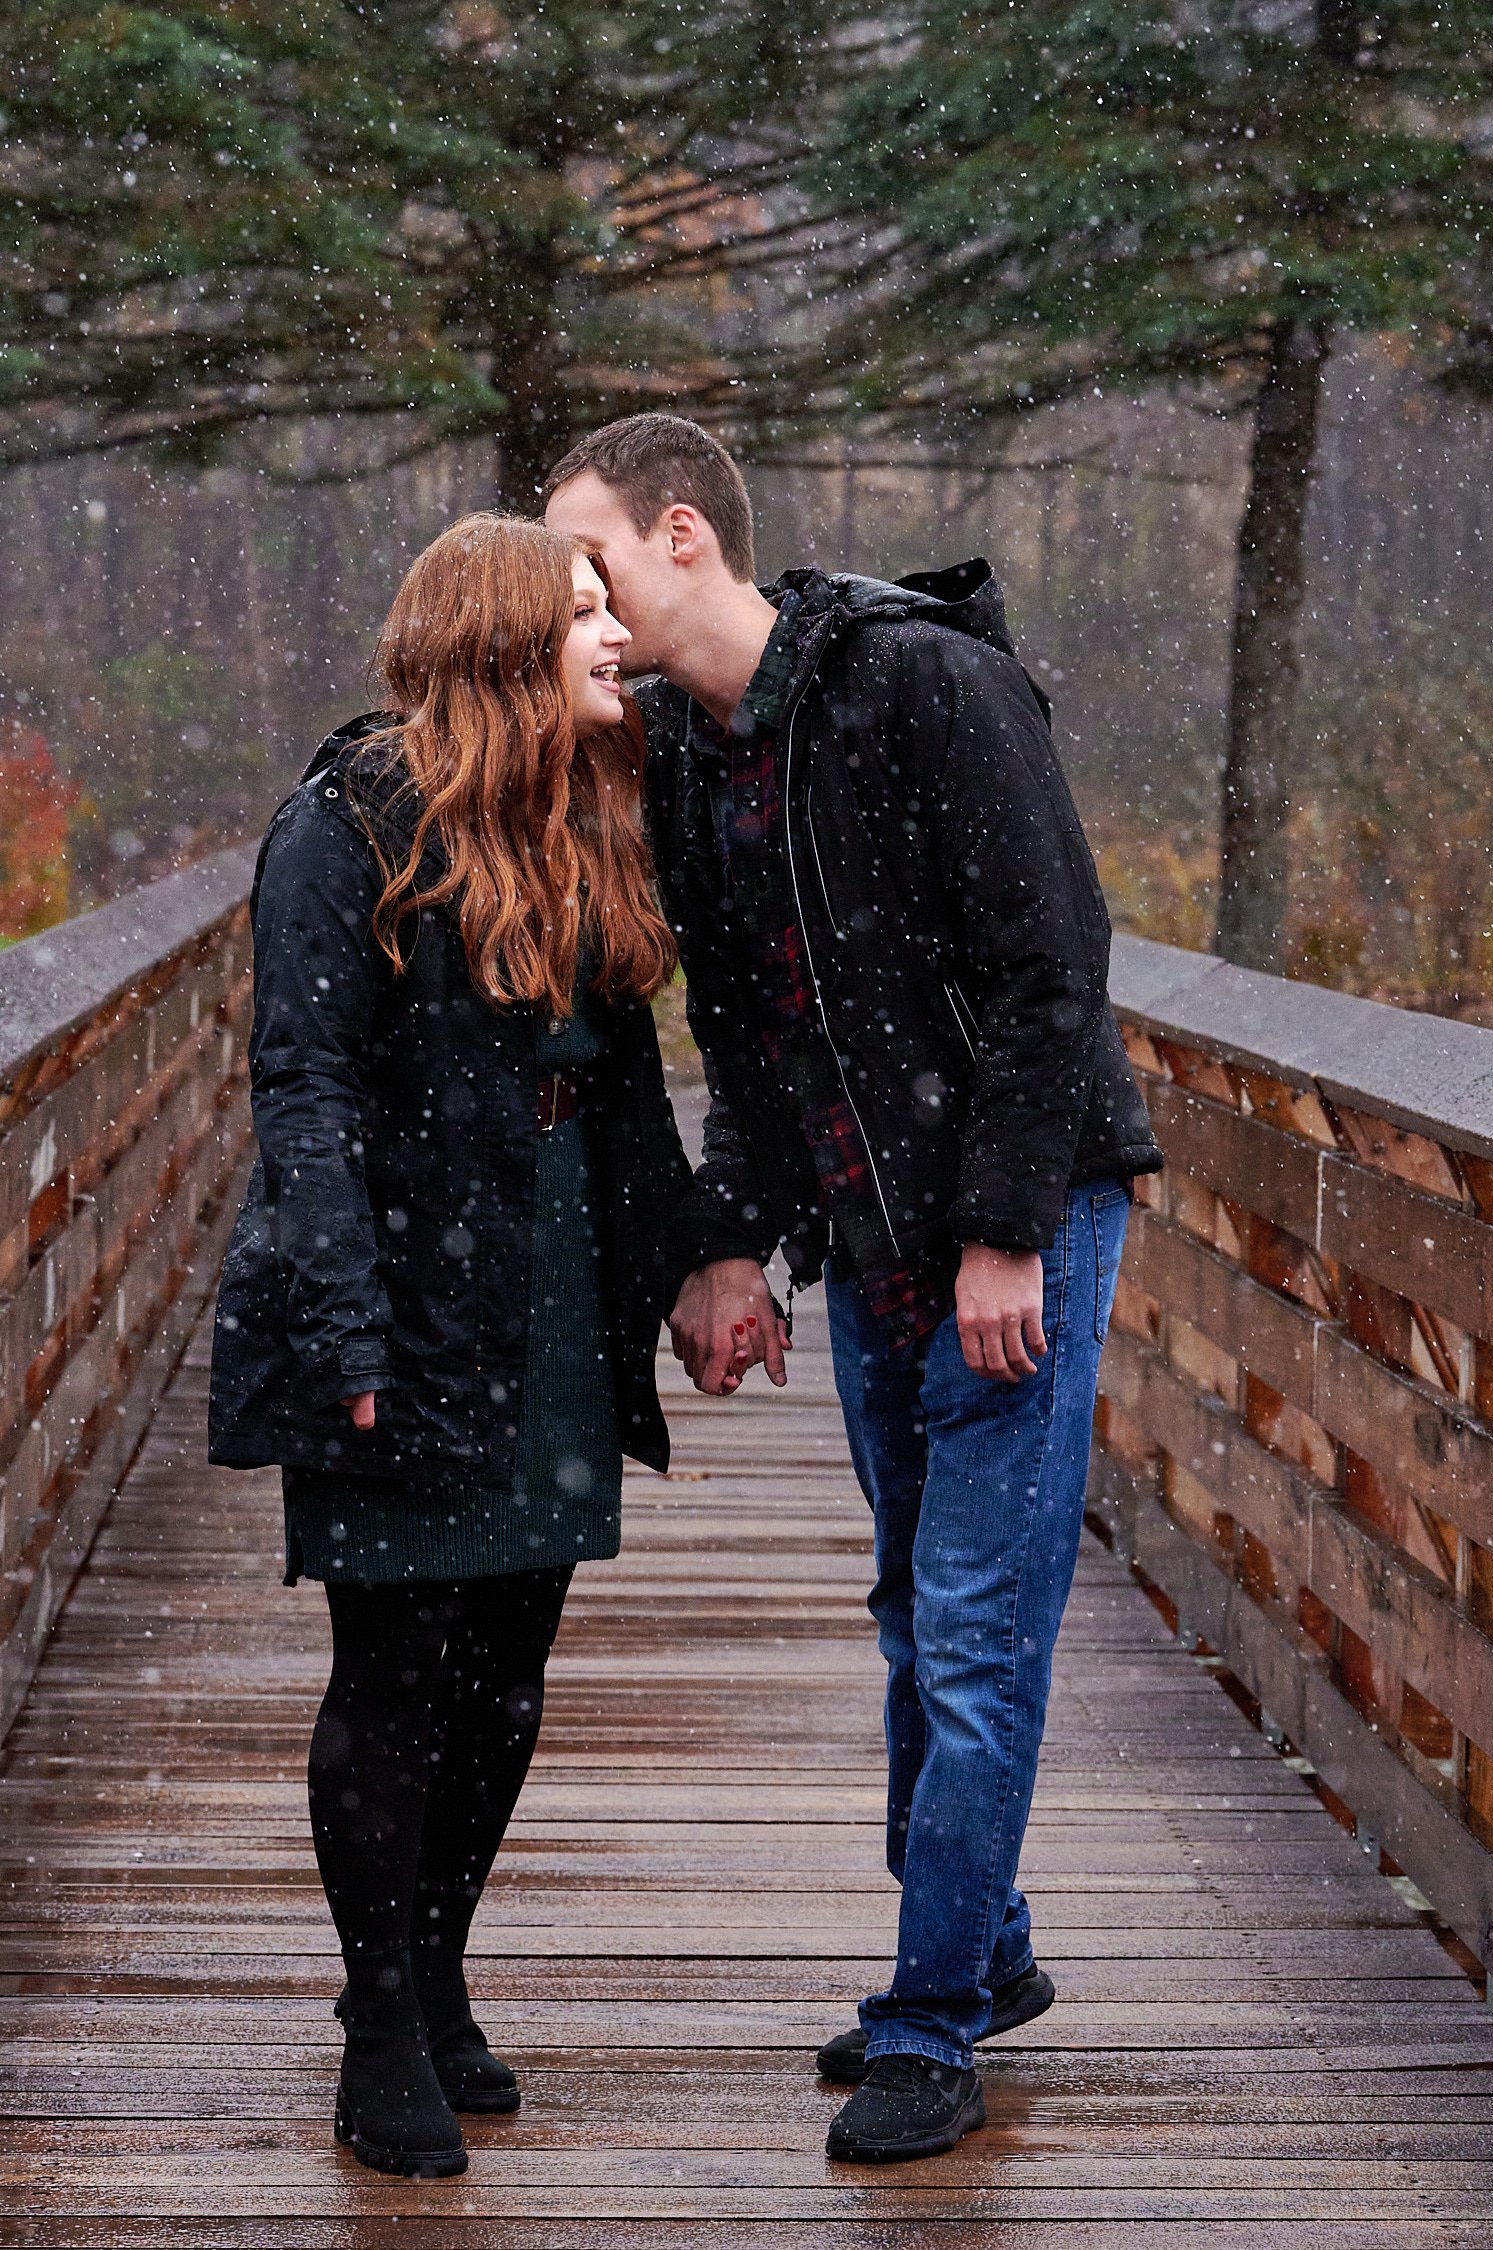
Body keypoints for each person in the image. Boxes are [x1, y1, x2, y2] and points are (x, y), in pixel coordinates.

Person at [544, 417, 1162, 2164]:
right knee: (911, 1602)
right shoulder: (677, 748)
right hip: (874, 1237)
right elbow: (743, 1030)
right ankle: (986, 1943)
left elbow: (1058, 969)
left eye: (586, 558)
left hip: (1019, 1223)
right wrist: (725, 1237)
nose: (571, 595)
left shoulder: (921, 685)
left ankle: (931, 2017)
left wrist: (1007, 1230)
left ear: (681, 535)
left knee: (973, 1623)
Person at [208, 515, 688, 2179]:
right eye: (580, 617)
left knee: (506, 1674)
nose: (612, 638)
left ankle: (439, 1961)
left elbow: (623, 1086)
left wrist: (692, 1262)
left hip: (549, 1279)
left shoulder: (587, 813)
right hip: (406, 1291)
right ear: (498, 645)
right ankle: (377, 2016)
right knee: (397, 1673)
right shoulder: (343, 827)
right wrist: (346, 1320)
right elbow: (305, 1089)